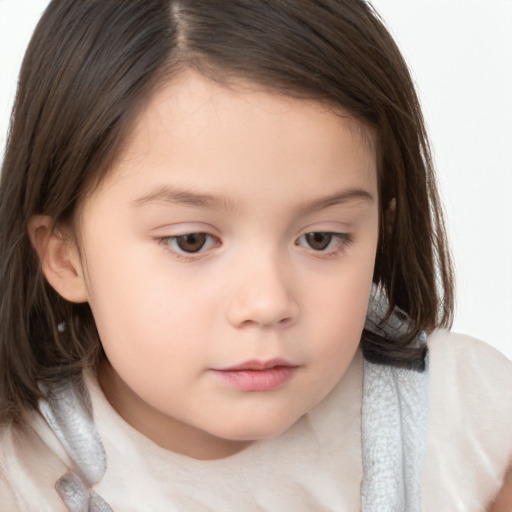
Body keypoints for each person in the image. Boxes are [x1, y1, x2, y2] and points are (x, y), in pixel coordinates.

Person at [0, 1, 511, 510]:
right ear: (65, 257)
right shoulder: (19, 475)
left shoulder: (473, 416)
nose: (267, 303)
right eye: (192, 241)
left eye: (320, 238)